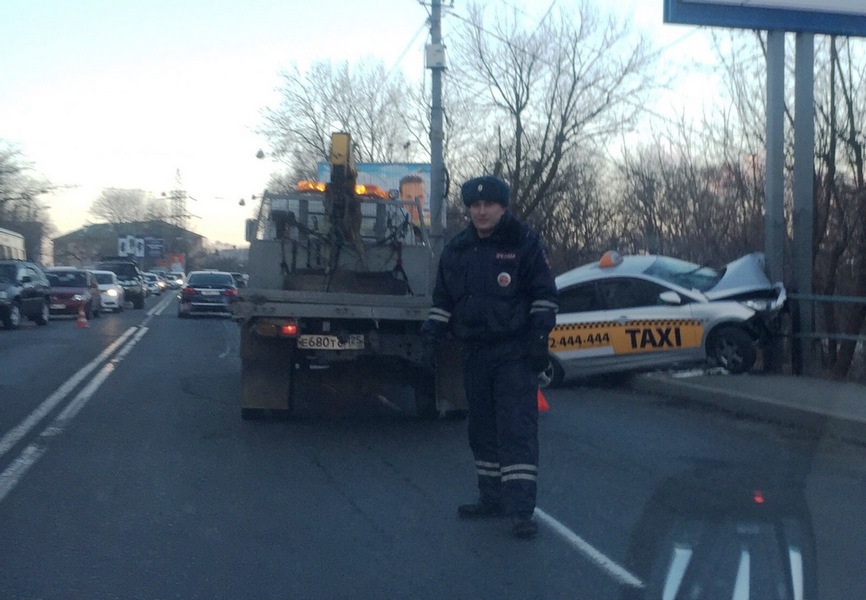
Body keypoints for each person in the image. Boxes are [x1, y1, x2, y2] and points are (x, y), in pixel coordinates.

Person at [421, 175, 559, 539]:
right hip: (474, 352)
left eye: (489, 205)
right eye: (475, 206)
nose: (481, 212)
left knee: (516, 429)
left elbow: (544, 295)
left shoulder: (524, 242)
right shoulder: (458, 249)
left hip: (514, 352)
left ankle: (520, 511)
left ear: (502, 207)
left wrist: (539, 339)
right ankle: (491, 498)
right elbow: (443, 299)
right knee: (481, 429)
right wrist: (432, 333)